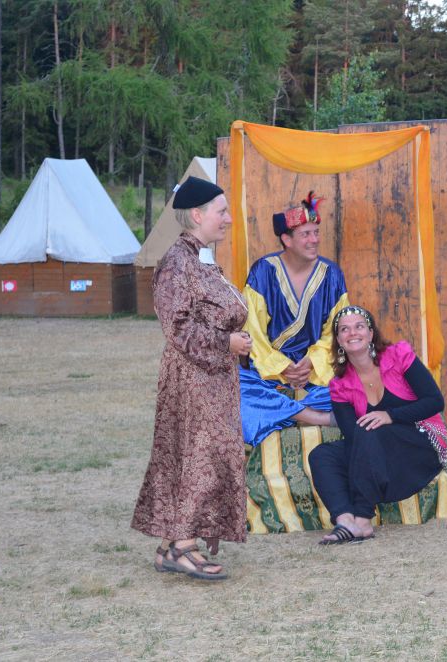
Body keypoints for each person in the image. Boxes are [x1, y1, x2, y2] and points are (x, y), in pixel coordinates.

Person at [131, 176, 253, 581]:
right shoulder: (176, 262)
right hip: (192, 378)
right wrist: (225, 342)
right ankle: (182, 545)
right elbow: (178, 327)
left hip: (213, 378)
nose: (228, 219)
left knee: (202, 456)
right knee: (198, 455)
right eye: (222, 211)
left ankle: (172, 545)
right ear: (197, 215)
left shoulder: (199, 259)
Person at [308, 305, 447, 544]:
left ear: (371, 333)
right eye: (344, 329)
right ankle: (345, 520)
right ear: (339, 340)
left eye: (359, 326)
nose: (353, 333)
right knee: (322, 454)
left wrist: (390, 415)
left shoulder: (399, 355)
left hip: (421, 443)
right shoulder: (339, 385)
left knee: (370, 429)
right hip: (380, 453)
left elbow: (435, 402)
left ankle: (363, 520)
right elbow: (353, 437)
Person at [238, 192, 350, 447]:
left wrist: (310, 362)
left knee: (356, 391)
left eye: (316, 232)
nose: (314, 240)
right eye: (306, 234)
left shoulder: (332, 274)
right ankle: (314, 417)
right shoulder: (263, 271)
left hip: (316, 372)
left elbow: (338, 330)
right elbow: (252, 332)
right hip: (269, 373)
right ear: (286, 239)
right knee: (235, 392)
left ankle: (281, 412)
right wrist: (283, 367)